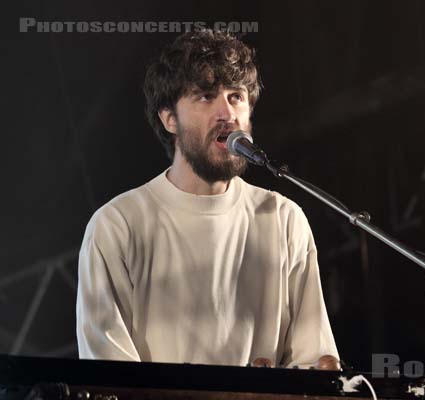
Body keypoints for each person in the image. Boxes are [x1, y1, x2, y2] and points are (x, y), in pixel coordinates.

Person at [75, 30, 339, 369]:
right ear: (169, 118)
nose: (226, 113)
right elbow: (109, 379)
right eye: (205, 95)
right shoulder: (117, 225)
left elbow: (313, 360)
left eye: (236, 97)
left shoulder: (283, 218)